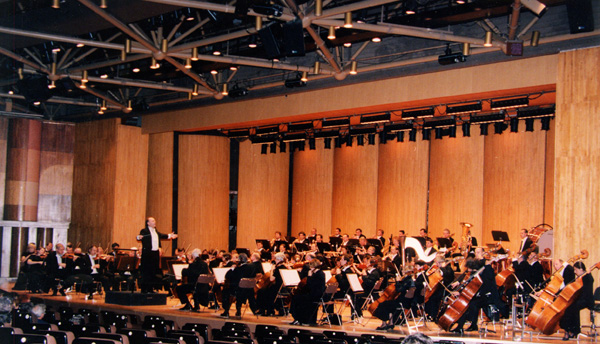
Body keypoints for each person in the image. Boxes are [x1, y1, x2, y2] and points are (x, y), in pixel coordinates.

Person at [136, 217, 177, 293]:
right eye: (153, 221)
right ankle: (144, 289)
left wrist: (170, 236)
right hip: (148, 254)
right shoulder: (144, 231)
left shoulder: (155, 231)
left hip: (155, 254)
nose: (155, 222)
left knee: (153, 272)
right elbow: (139, 237)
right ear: (148, 223)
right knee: (146, 272)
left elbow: (161, 235)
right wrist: (138, 237)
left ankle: (151, 289)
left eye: (154, 220)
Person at [559, 261, 594, 340]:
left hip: (587, 300)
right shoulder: (580, 277)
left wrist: (588, 273)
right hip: (581, 299)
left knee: (570, 308)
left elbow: (588, 287)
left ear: (581, 269)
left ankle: (569, 331)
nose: (574, 272)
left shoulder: (587, 276)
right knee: (569, 307)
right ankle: (573, 331)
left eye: (576, 270)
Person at [290, 259, 325, 325]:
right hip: (317, 295)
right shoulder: (320, 273)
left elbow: (310, 285)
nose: (310, 268)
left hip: (315, 296)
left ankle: (298, 318)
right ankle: (299, 318)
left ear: (313, 267)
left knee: (295, 298)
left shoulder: (317, 274)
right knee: (298, 297)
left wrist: (309, 276)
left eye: (311, 267)